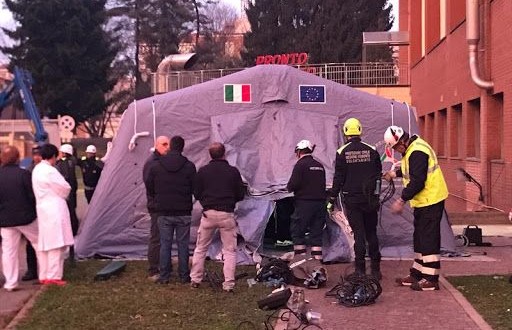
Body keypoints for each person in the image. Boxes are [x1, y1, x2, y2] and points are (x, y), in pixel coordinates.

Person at [383, 125, 449, 291]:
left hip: (431, 200)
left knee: (428, 238)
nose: (397, 151)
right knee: (419, 238)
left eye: (396, 147)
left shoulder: (417, 151)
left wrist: (402, 199)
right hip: (423, 201)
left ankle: (431, 279)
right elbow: (411, 171)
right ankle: (417, 273)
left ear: (402, 142)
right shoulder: (412, 149)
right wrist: (394, 174)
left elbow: (418, 180)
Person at [328, 118, 383, 279]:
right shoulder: (372, 150)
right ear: (360, 131)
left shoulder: (342, 152)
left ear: (346, 133)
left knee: (358, 234)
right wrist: (376, 195)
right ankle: (376, 270)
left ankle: (360, 270)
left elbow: (339, 178)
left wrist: (331, 199)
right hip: (370, 199)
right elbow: (378, 176)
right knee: (371, 232)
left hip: (352, 200)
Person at [190, 142, 245, 292]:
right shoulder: (232, 172)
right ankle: (228, 284)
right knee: (229, 250)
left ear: (210, 155)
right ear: (224, 154)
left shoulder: (203, 171)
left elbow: (197, 192)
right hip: (226, 214)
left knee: (201, 248)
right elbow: (240, 194)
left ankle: (195, 279)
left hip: (208, 214)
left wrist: (206, 202)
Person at [144, 136, 196, 284]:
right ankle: (184, 275)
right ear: (182, 147)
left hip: (163, 211)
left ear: (171, 147)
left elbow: (149, 186)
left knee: (165, 244)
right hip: (183, 211)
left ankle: (164, 275)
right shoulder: (189, 166)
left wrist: (158, 199)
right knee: (183, 244)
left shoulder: (156, 166)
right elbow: (195, 187)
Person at [0, 146, 41, 291]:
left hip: (5, 220)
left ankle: (11, 283)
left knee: (9, 251)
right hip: (26, 218)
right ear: (17, 158)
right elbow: (32, 196)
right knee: (39, 244)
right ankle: (44, 274)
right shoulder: (24, 174)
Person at [32, 144, 74, 285]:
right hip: (54, 208)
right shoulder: (50, 171)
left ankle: (44, 274)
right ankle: (54, 276)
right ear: (53, 156)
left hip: (43, 209)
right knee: (57, 243)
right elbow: (65, 187)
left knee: (45, 243)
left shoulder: (37, 169)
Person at [287, 140, 326, 261]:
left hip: (304, 204)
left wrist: (289, 187)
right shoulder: (320, 166)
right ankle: (317, 265)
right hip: (320, 204)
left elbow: (293, 184)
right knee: (316, 235)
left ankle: (300, 264)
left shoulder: (300, 165)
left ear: (299, 151)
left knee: (298, 232)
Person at [143, 136, 171, 281]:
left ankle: (163, 266)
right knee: (156, 238)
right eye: (164, 144)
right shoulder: (152, 163)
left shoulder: (162, 161)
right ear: (156, 145)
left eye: (168, 144)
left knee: (164, 237)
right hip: (156, 207)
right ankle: (153, 269)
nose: (167, 147)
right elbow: (149, 185)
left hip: (164, 205)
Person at [21, 146, 43, 281]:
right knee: (31, 243)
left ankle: (45, 270)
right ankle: (32, 270)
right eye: (35, 155)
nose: (37, 157)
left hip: (44, 209)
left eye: (39, 155)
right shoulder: (28, 171)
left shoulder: (49, 169)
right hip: (33, 210)